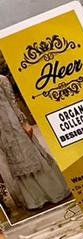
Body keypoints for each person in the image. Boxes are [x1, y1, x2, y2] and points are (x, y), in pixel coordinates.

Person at [0, 74, 70, 213]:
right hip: (3, 132)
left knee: (31, 155)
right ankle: (35, 199)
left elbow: (13, 103)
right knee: (16, 162)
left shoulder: (1, 79)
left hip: (14, 124)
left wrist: (24, 122)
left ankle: (54, 192)